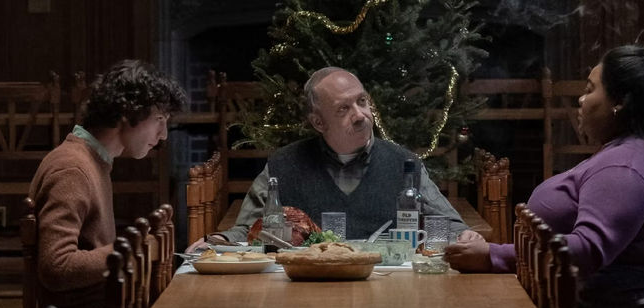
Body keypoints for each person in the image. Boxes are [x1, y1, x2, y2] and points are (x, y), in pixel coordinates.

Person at [443, 45, 644, 308]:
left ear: (620, 103)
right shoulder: (627, 154)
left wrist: (493, 255)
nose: (581, 100)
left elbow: (587, 250)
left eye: (590, 89)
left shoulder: (626, 166)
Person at [194, 66, 472, 247]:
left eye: (362, 102)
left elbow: (451, 226)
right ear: (318, 122)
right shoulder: (284, 165)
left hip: (388, 291)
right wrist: (218, 240)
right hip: (306, 297)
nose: (361, 115)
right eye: (343, 109)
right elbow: (248, 231)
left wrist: (464, 237)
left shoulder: (404, 164)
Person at [29, 60, 186, 308]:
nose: (164, 134)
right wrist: (131, 251)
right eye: (159, 119)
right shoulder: (72, 168)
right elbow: (55, 266)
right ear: (128, 115)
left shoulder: (92, 161)